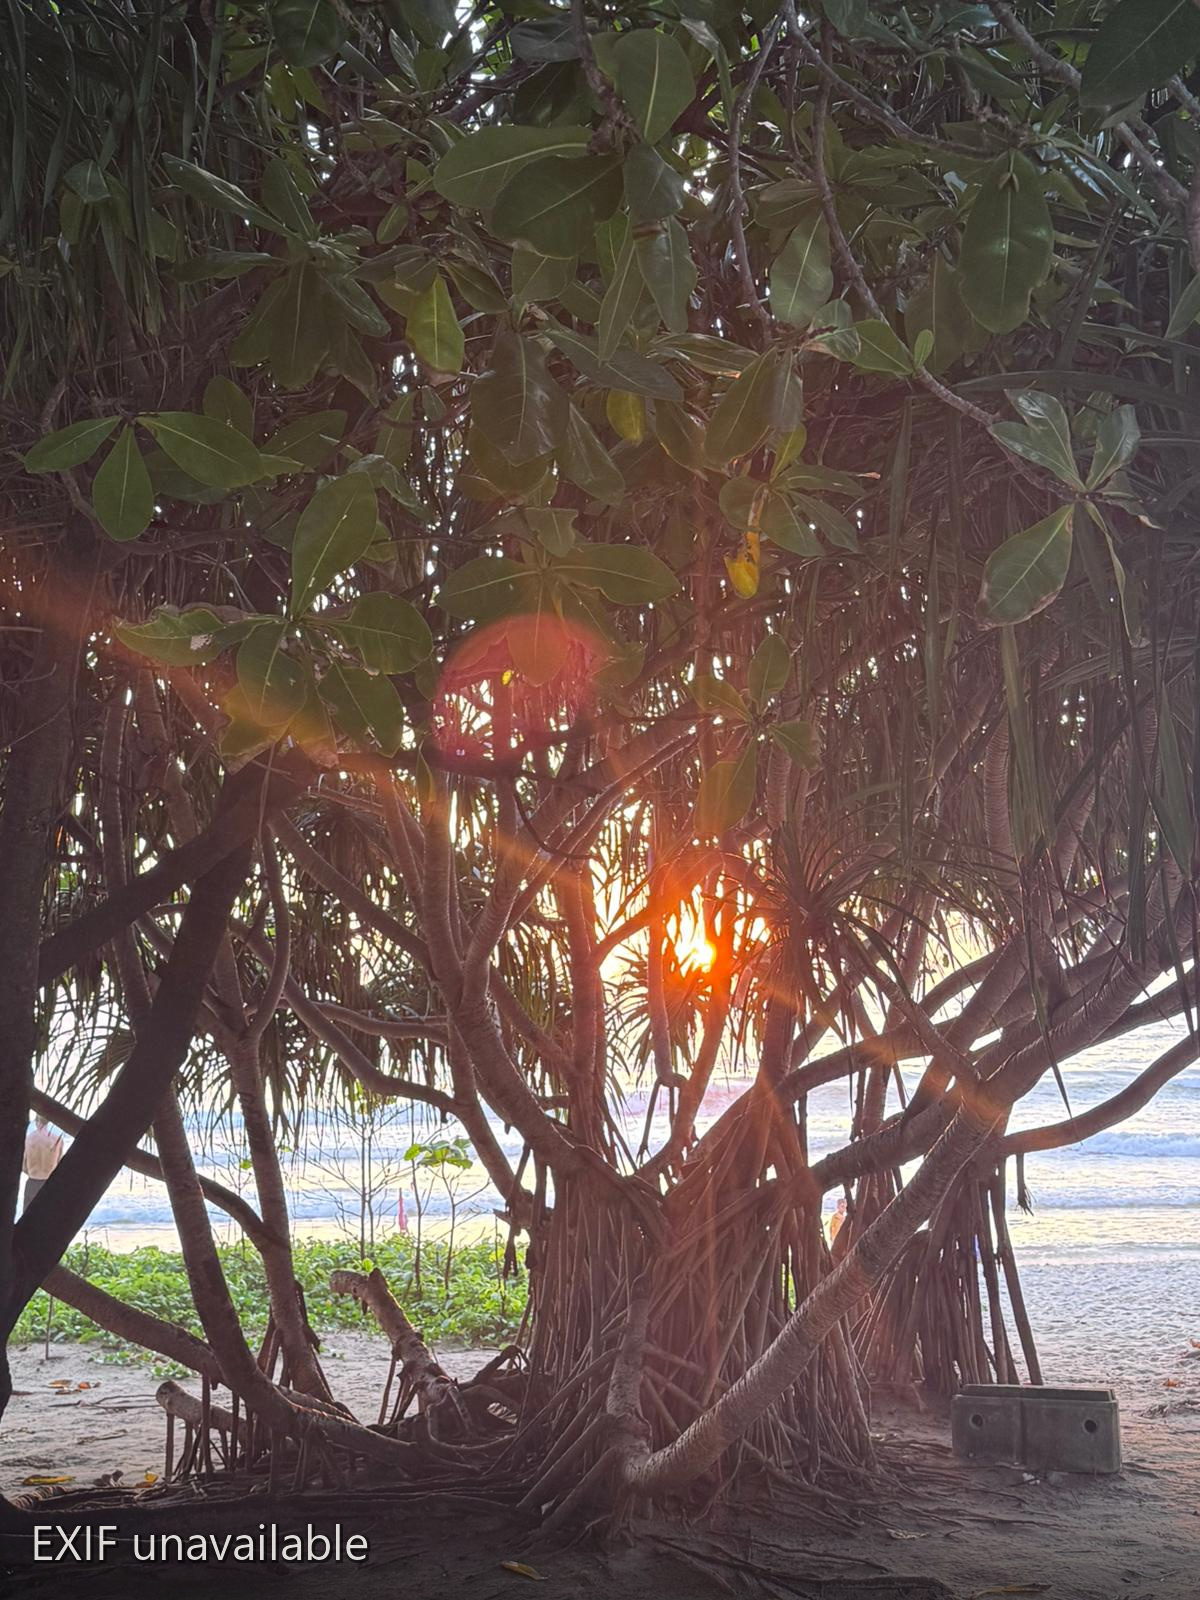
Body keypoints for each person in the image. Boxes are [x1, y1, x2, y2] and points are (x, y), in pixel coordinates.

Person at [22, 1115, 63, 1211]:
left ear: (36, 1122)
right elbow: (60, 1164)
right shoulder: (57, 1140)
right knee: (49, 1218)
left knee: (27, 1220)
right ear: (49, 1122)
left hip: (32, 1182)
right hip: (49, 1182)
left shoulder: (28, 1139)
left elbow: (23, 1166)